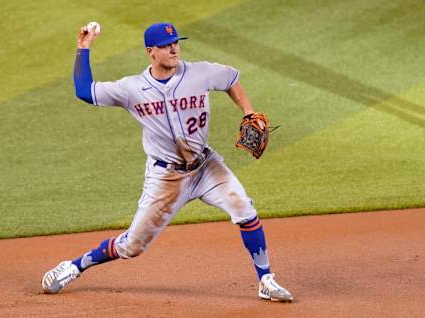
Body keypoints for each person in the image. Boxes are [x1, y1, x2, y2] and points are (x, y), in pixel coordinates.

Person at [41, 22, 293, 302]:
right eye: (165, 45)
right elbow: (85, 91)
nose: (173, 48)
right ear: (151, 52)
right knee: (132, 247)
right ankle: (75, 266)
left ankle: (266, 279)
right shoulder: (132, 89)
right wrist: (83, 48)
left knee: (243, 207)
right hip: (166, 179)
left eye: (175, 43)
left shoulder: (199, 72)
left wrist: (249, 110)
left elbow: (231, 79)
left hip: (206, 167)